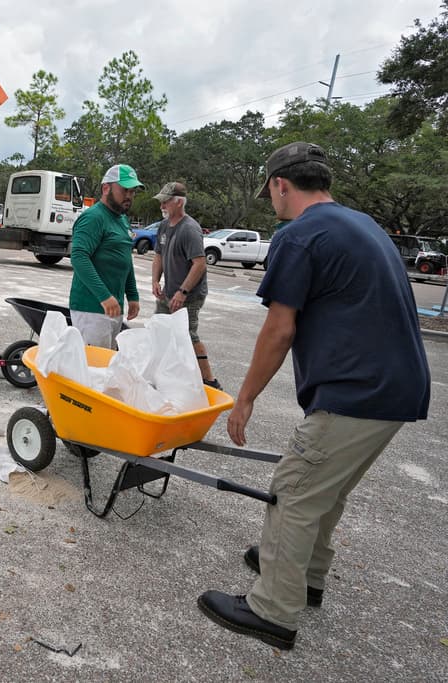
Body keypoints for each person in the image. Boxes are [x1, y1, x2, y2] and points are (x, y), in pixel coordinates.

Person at [197, 142, 431, 650]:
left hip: (355, 390)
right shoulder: (363, 224)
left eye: (269, 191)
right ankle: (305, 577)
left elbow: (279, 328)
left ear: (280, 184)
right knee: (327, 489)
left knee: (294, 489)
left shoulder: (299, 235)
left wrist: (245, 398)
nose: (271, 201)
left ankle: (272, 610)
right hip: (399, 389)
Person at [150, 181, 221, 389]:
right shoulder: (164, 226)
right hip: (169, 292)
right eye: (161, 202)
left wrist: (183, 292)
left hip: (189, 295)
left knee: (187, 335)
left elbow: (199, 264)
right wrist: (155, 280)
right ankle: (163, 375)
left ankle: (209, 380)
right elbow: (158, 255)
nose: (162, 206)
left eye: (166, 201)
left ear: (179, 202)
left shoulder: (190, 229)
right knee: (160, 330)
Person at [68, 163, 142, 349]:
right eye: (124, 190)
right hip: (92, 309)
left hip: (112, 308)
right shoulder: (93, 217)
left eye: (132, 191)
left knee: (107, 363)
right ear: (106, 188)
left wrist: (132, 295)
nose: (129, 196)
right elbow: (79, 257)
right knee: (94, 364)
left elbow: (125, 259)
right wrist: (104, 296)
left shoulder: (122, 219)